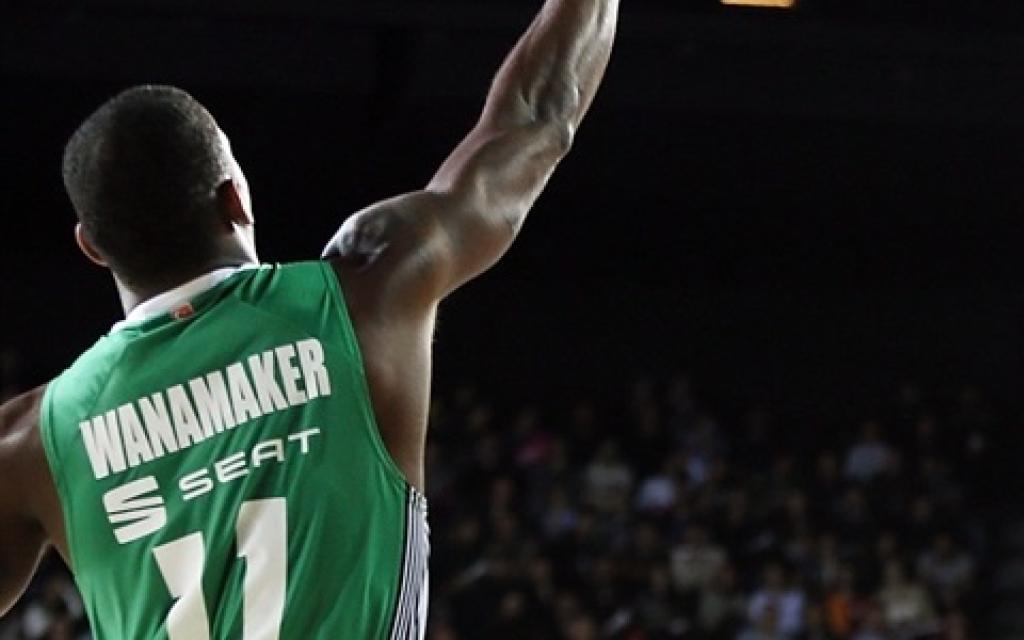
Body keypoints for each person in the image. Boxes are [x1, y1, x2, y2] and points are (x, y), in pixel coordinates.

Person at [0, 0, 618, 635]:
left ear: (91, 246)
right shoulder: (365, 295)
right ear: (235, 196)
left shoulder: (27, 442)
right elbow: (539, 117)